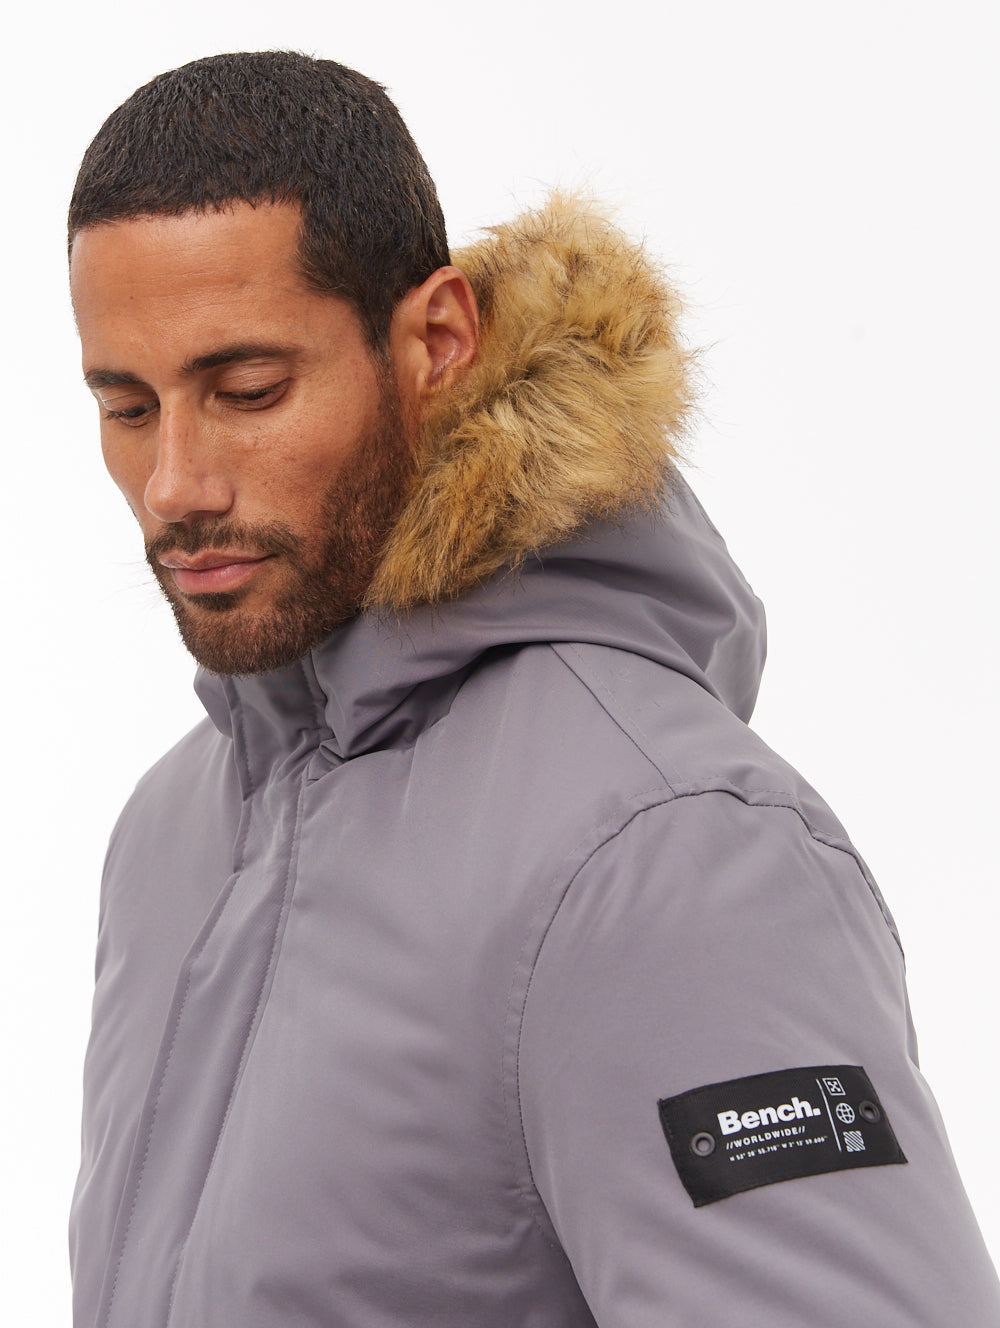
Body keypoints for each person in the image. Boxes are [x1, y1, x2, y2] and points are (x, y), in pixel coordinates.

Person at [67, 50, 999, 1328]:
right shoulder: (170, 833)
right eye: (127, 407)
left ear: (435, 343)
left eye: (247, 391)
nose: (176, 482)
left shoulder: (662, 850)